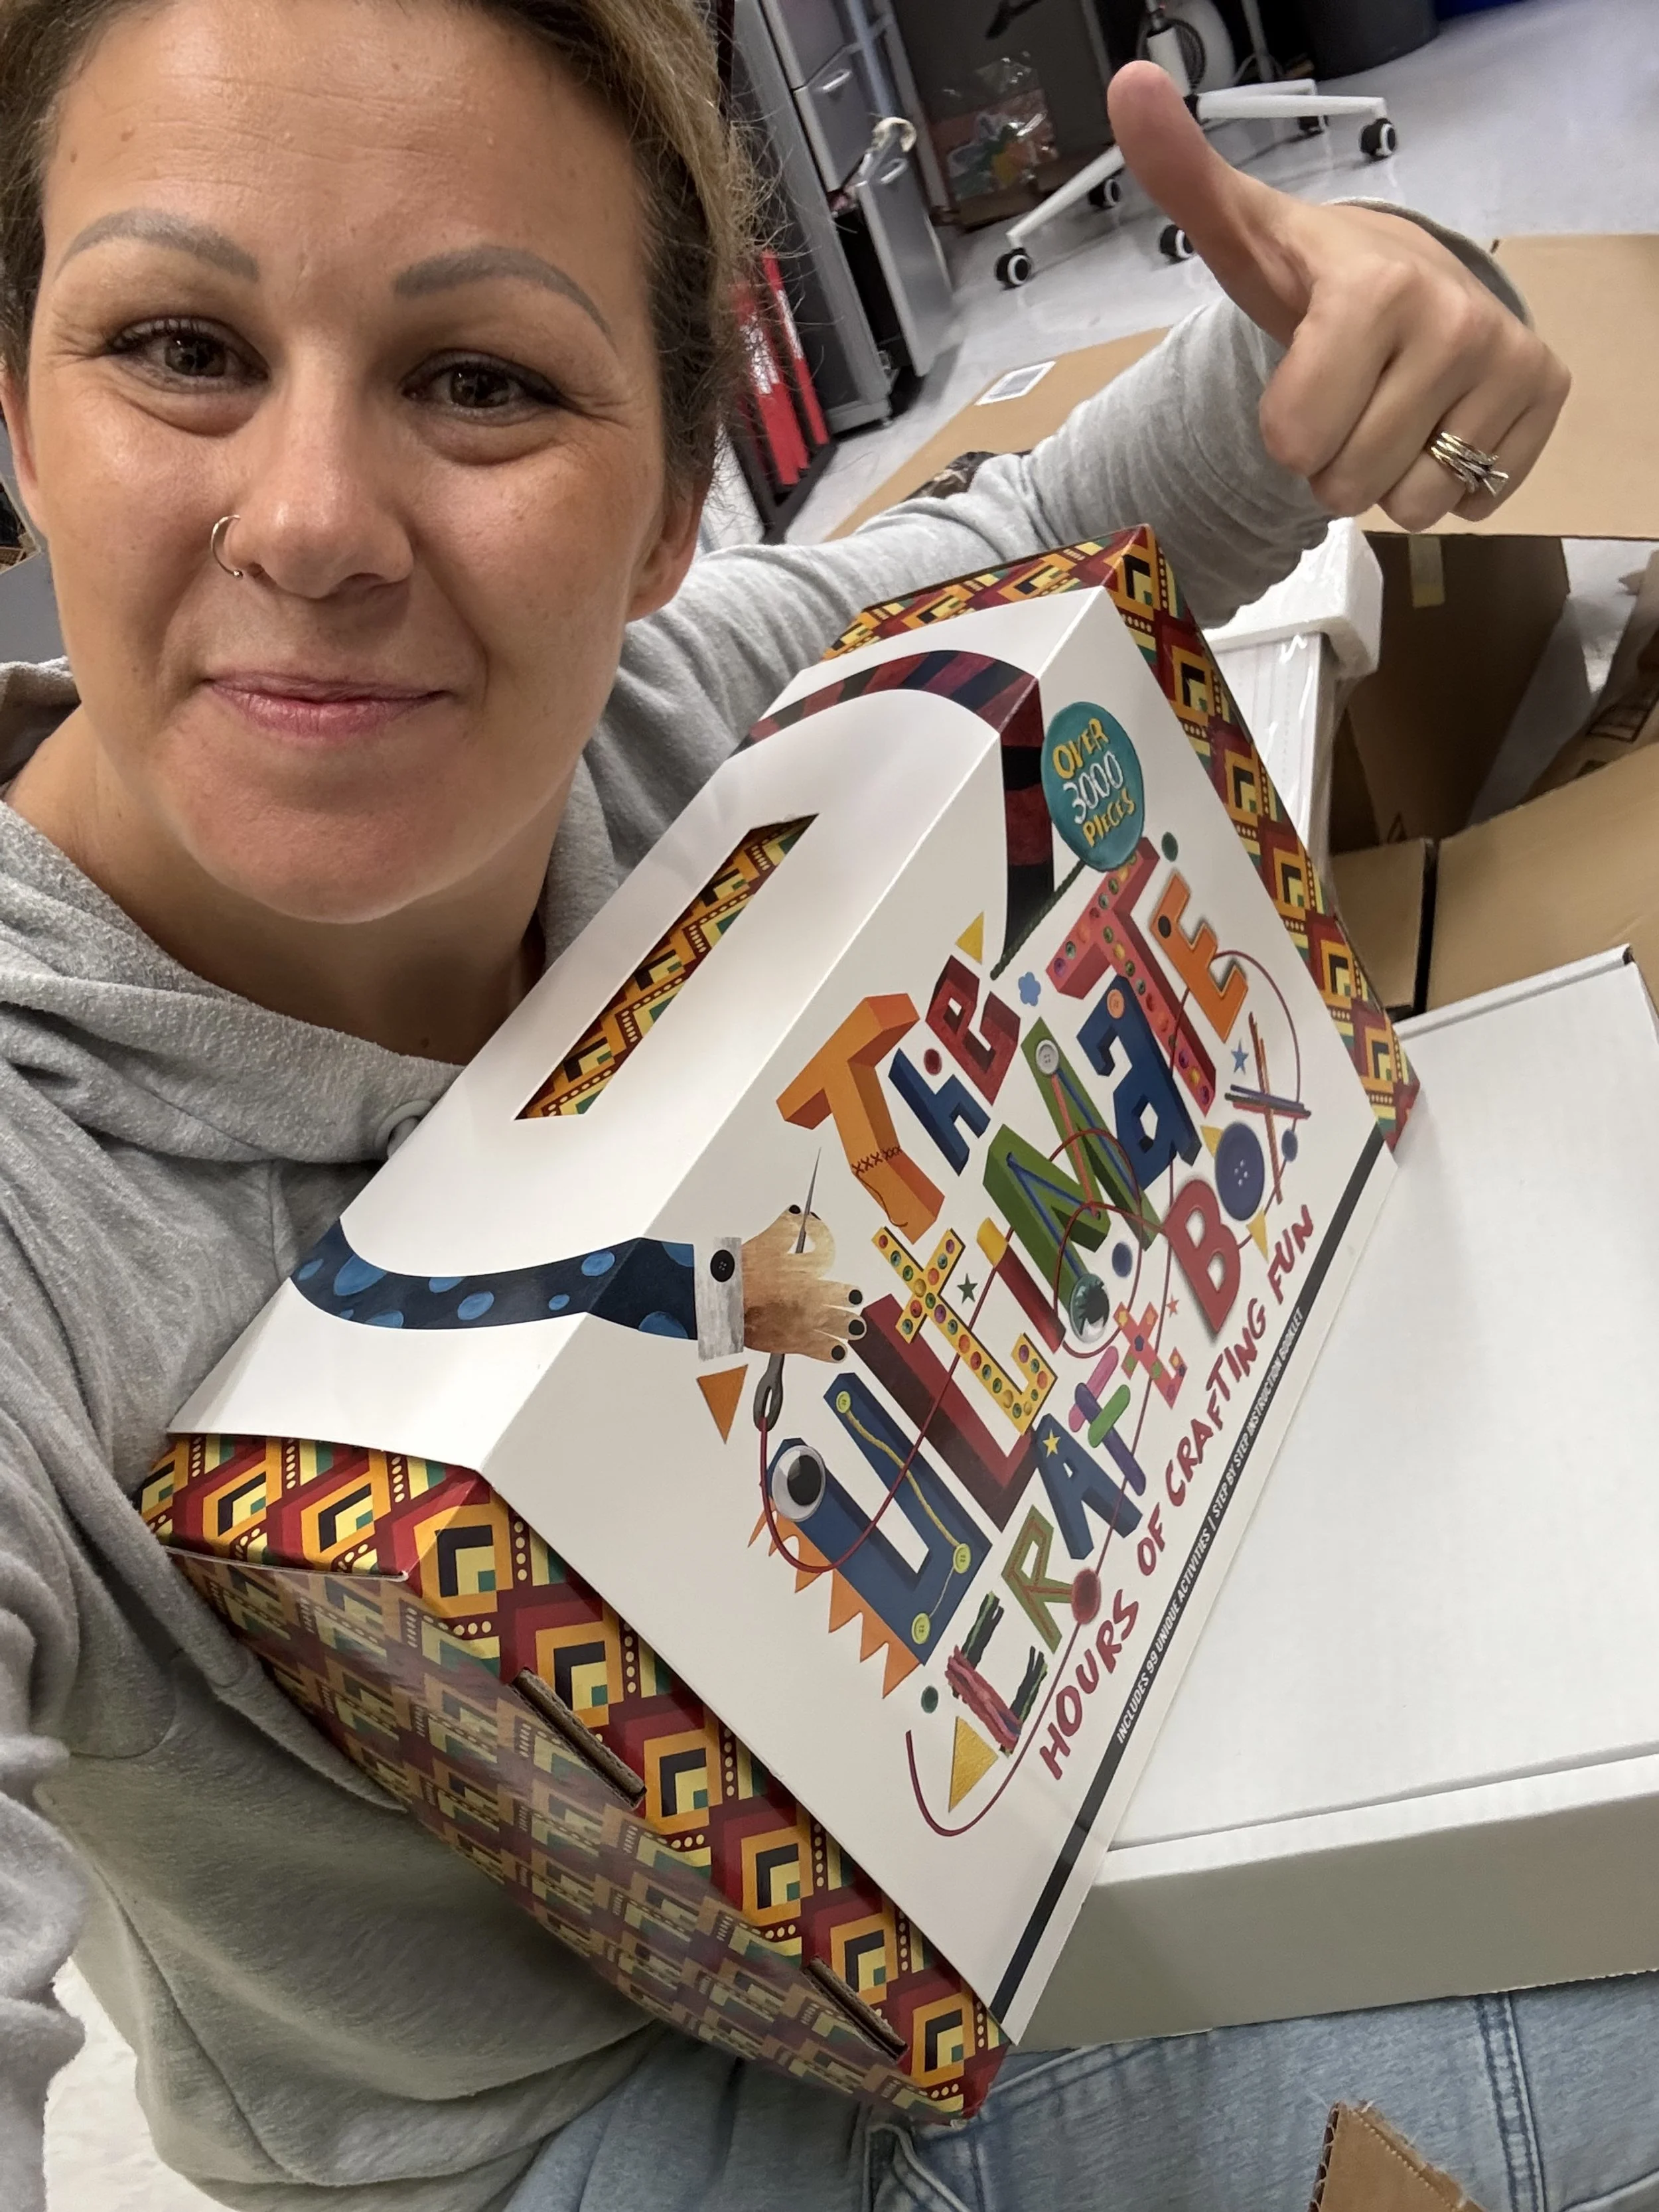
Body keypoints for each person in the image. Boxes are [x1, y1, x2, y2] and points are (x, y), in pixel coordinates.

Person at [0, 1, 1647, 2207]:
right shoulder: (44, 1209)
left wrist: (1398, 276)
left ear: (677, 498)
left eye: (479, 378)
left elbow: (1096, 504)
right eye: (182, 346)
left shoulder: (666, 721)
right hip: (590, 2114)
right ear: (21, 413)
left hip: (972, 1739)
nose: (312, 524)